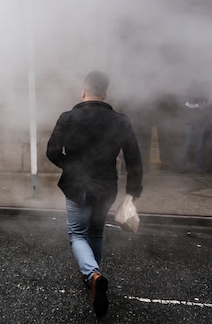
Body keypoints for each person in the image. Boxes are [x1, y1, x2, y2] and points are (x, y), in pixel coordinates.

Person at [46, 70, 143, 318]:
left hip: (76, 185)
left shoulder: (68, 118)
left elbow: (52, 152)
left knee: (77, 233)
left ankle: (93, 275)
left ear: (83, 91)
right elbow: (133, 159)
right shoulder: (120, 121)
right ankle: (92, 276)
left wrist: (73, 166)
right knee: (96, 231)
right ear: (105, 93)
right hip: (106, 186)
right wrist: (133, 192)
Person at [180, 82, 210, 173]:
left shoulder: (204, 96)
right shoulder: (188, 96)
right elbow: (187, 105)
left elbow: (206, 106)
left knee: (200, 146)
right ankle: (184, 167)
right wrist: (198, 106)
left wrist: (200, 106)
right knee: (188, 145)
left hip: (201, 123)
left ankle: (199, 168)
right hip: (190, 123)